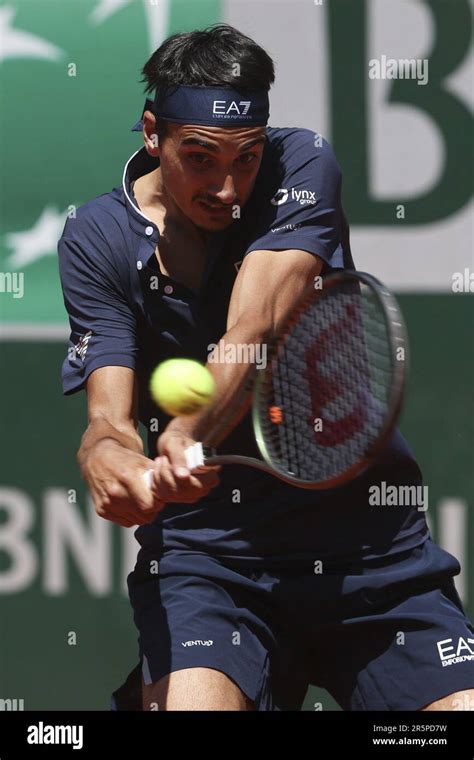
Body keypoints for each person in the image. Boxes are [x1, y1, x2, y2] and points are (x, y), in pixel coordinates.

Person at [58, 24, 474, 711]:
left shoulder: (303, 162)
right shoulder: (97, 236)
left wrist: (189, 428)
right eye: (201, 157)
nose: (228, 188)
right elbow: (106, 417)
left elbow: (251, 329)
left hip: (370, 553)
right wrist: (112, 463)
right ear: (152, 132)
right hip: (210, 559)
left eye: (246, 157)